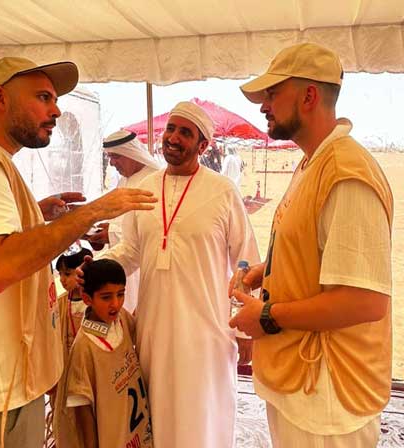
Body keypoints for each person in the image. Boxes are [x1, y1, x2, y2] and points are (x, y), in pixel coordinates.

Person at [0, 57, 156, 448]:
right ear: (0, 97)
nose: (55, 110)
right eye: (42, 97)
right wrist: (95, 210)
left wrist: (33, 213)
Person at [230, 42, 394, 447]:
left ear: (308, 96)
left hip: (328, 395)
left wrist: (266, 317)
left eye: (272, 94)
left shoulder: (345, 173)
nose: (263, 106)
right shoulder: (313, 162)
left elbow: (364, 301)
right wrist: (267, 269)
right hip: (303, 382)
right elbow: (313, 247)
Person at [101, 101, 260, 447]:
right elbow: (129, 251)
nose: (173, 138)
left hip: (207, 333)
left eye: (185, 133)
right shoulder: (144, 190)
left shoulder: (222, 191)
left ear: (203, 146)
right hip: (154, 330)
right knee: (153, 414)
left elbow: (246, 260)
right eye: (171, 129)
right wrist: (98, 269)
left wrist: (244, 325)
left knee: (203, 416)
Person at [54, 259, 153, 448]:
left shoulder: (121, 319)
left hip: (137, 430)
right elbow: (82, 406)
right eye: (106, 297)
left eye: (121, 294)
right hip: (111, 435)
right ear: (87, 299)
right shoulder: (84, 347)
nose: (115, 303)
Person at [84, 130, 161, 311]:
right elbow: (121, 221)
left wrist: (110, 233)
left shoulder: (154, 181)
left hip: (140, 267)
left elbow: (150, 230)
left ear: (130, 154)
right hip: (121, 261)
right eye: (110, 157)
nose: (111, 163)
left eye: (116, 157)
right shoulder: (125, 181)